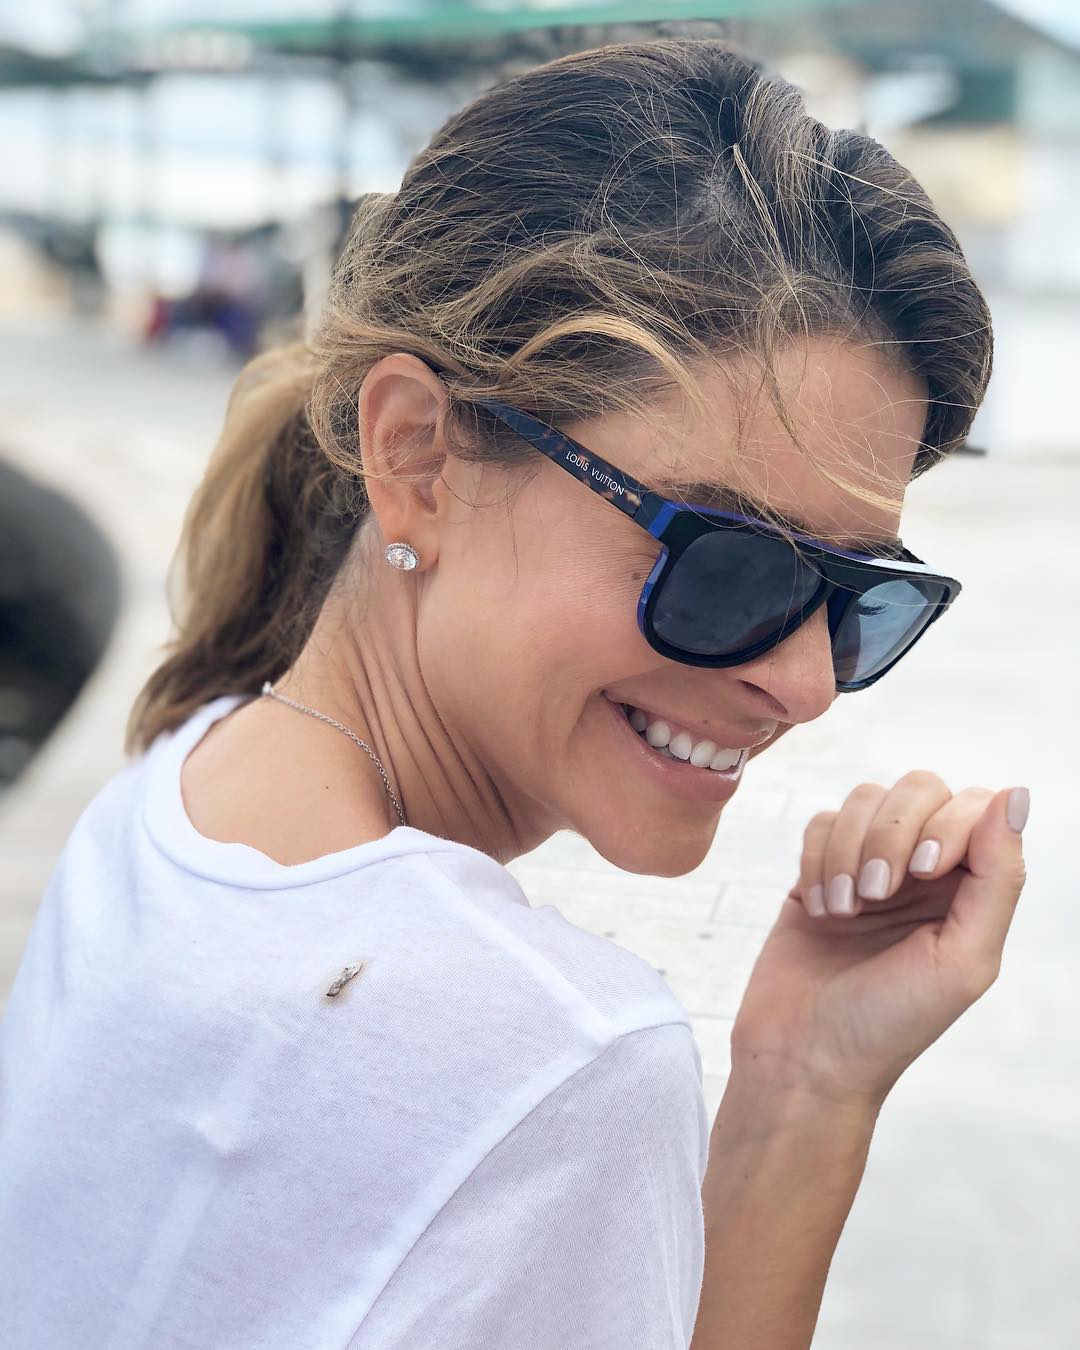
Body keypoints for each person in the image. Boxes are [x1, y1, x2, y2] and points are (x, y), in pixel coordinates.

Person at [0, 37, 1029, 1350]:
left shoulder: (176, 792)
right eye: (729, 566)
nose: (808, 680)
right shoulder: (554, 1062)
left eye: (860, 596)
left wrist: (803, 1082)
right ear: (415, 456)